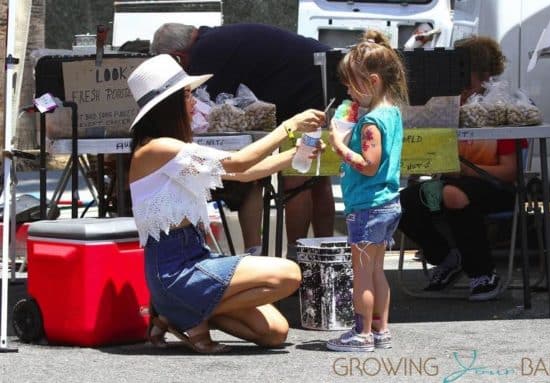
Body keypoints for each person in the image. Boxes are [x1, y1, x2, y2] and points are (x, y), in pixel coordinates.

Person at [127, 54, 326, 352]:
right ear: (167, 105)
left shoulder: (168, 148)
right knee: (290, 274)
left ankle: (177, 314)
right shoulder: (158, 148)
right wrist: (288, 126)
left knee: (275, 332)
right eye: (186, 95)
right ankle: (183, 312)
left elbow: (243, 173)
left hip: (193, 260)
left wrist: (294, 154)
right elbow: (239, 161)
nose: (194, 101)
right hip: (175, 270)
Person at [150, 23, 336, 257]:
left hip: (307, 89)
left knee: (299, 179)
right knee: (316, 177)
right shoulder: (212, 39)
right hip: (322, 72)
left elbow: (211, 107)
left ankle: (299, 258)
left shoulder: (204, 53)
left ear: (178, 56)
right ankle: (324, 254)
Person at [398, 35, 527, 301]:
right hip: (449, 186)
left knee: (452, 194)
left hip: (496, 188)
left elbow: (510, 172)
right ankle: (446, 259)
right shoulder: (447, 106)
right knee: (398, 204)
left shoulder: (500, 109)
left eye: (463, 76)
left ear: (482, 76)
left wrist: (466, 171)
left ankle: (483, 274)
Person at [325, 29, 407, 352]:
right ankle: (381, 330)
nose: (348, 90)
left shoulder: (371, 121)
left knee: (361, 274)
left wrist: (339, 146)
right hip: (388, 203)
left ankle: (361, 334)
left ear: (372, 81)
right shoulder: (393, 113)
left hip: (367, 206)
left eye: (351, 83)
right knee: (376, 271)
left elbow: (369, 164)